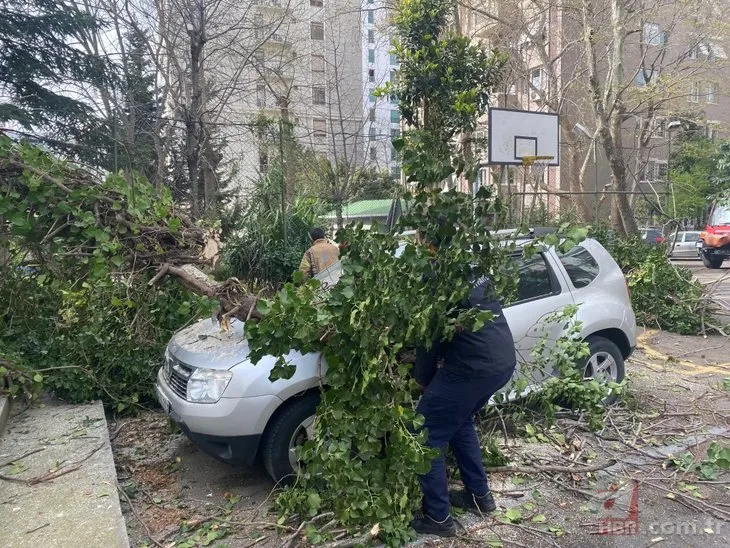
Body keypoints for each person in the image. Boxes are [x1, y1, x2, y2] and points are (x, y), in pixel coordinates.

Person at [410, 267, 517, 537]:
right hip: (501, 364)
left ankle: (438, 517)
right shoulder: (473, 268)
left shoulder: (436, 277)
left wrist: (424, 379)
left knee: (425, 432)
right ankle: (480, 497)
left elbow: (429, 337)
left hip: (471, 369)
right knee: (460, 424)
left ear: (428, 240)